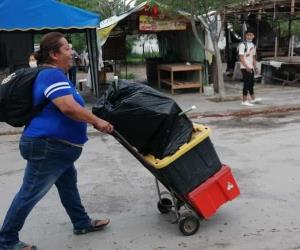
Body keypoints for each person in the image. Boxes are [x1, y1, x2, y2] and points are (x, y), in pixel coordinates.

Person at [0, 32, 113, 250]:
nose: (72, 52)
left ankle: (81, 223)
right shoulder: (52, 76)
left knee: (68, 184)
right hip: (48, 146)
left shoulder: (54, 75)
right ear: (53, 54)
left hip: (57, 148)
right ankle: (6, 240)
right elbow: (68, 108)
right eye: (67, 48)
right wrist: (97, 121)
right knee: (30, 192)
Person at [239, 30, 262, 106]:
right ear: (245, 36)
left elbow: (253, 57)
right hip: (244, 67)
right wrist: (247, 67)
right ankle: (244, 101)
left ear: (253, 36)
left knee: (251, 84)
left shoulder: (253, 45)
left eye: (251, 35)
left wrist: (255, 67)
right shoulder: (242, 45)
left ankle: (253, 99)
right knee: (246, 84)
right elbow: (241, 58)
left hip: (251, 67)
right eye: (248, 35)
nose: (249, 36)